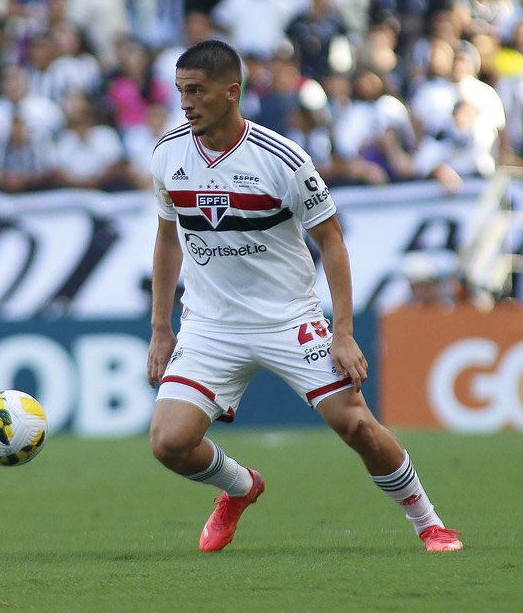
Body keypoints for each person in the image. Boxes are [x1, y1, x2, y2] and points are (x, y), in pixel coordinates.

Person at [145, 39, 463, 553]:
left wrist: (343, 332)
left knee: (357, 425)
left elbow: (332, 240)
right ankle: (241, 488)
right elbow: (165, 239)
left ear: (232, 92)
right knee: (168, 443)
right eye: (181, 91)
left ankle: (429, 523)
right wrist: (162, 328)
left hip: (287, 318)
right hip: (210, 323)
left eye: (197, 91)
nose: (186, 103)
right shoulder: (167, 153)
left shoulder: (283, 159)